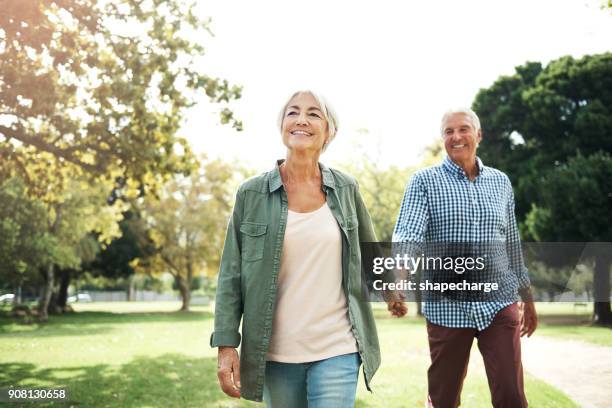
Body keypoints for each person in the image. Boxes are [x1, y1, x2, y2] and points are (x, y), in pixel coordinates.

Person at [211, 90, 400, 407]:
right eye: (293, 112)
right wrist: (226, 344)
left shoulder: (346, 188)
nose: (301, 119)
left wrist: (392, 289)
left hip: (338, 346)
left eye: (314, 113)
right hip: (274, 353)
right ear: (282, 126)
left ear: (329, 131)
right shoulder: (251, 194)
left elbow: (371, 255)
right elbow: (230, 274)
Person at [392, 108, 538, 408]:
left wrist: (528, 294)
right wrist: (399, 280)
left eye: (464, 129)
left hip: (500, 303)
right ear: (442, 138)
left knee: (512, 395)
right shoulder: (424, 182)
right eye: (448, 131)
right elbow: (409, 234)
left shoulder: (500, 182)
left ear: (478, 135)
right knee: (444, 398)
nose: (456, 137)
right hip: (447, 307)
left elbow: (511, 242)